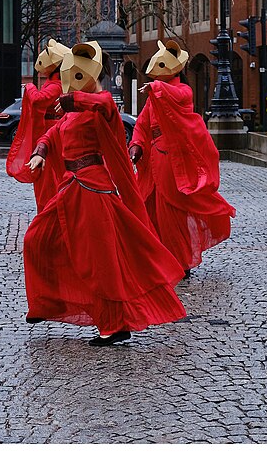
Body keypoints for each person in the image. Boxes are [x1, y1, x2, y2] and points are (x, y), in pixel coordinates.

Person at [24, 41, 186, 346]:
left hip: (93, 189)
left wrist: (74, 100)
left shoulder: (101, 105)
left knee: (100, 261)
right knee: (37, 238)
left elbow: (104, 106)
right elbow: (53, 132)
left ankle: (113, 325)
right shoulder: (71, 112)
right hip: (72, 187)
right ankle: (47, 303)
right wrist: (41, 150)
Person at [128, 40, 236, 275]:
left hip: (170, 158)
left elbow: (177, 95)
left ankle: (179, 259)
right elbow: (142, 125)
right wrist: (136, 145)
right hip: (155, 157)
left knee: (171, 209)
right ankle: (160, 257)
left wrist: (156, 89)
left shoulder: (180, 91)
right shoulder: (154, 96)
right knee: (152, 208)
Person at [7, 39, 70, 213]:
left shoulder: (56, 86)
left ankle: (49, 213)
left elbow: (38, 100)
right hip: (50, 131)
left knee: (47, 178)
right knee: (46, 177)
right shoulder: (57, 84)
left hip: (50, 132)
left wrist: (30, 87)